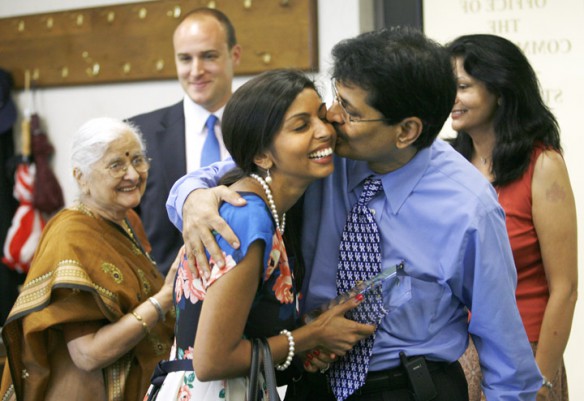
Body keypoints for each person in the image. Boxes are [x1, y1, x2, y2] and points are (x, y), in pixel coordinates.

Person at [166, 28, 543, 400]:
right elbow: (248, 158)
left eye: (350, 110)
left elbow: (504, 347)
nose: (331, 116)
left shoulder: (469, 207)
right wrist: (192, 197)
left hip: (409, 385)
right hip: (311, 381)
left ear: (406, 131)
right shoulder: (324, 158)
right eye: (335, 98)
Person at [144, 69, 375, 401]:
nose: (325, 131)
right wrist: (313, 335)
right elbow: (212, 360)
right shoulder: (247, 216)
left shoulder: (269, 207)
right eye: (301, 126)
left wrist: (304, 339)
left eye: (322, 117)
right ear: (262, 155)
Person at [0, 117, 176, 401]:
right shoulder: (71, 236)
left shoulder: (128, 220)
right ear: (81, 176)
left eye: (138, 160)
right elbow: (88, 355)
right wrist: (164, 299)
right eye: (116, 165)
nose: (132, 174)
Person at [446, 34, 578, 401]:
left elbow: (564, 288)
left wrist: (542, 378)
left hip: (525, 355)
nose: (451, 98)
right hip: (456, 357)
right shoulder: (447, 166)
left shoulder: (543, 165)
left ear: (500, 90)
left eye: (463, 87)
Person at [128, 7, 241, 275]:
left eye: (209, 56)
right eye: (185, 59)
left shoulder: (265, 130)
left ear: (234, 55)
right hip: (165, 303)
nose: (196, 70)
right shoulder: (137, 135)